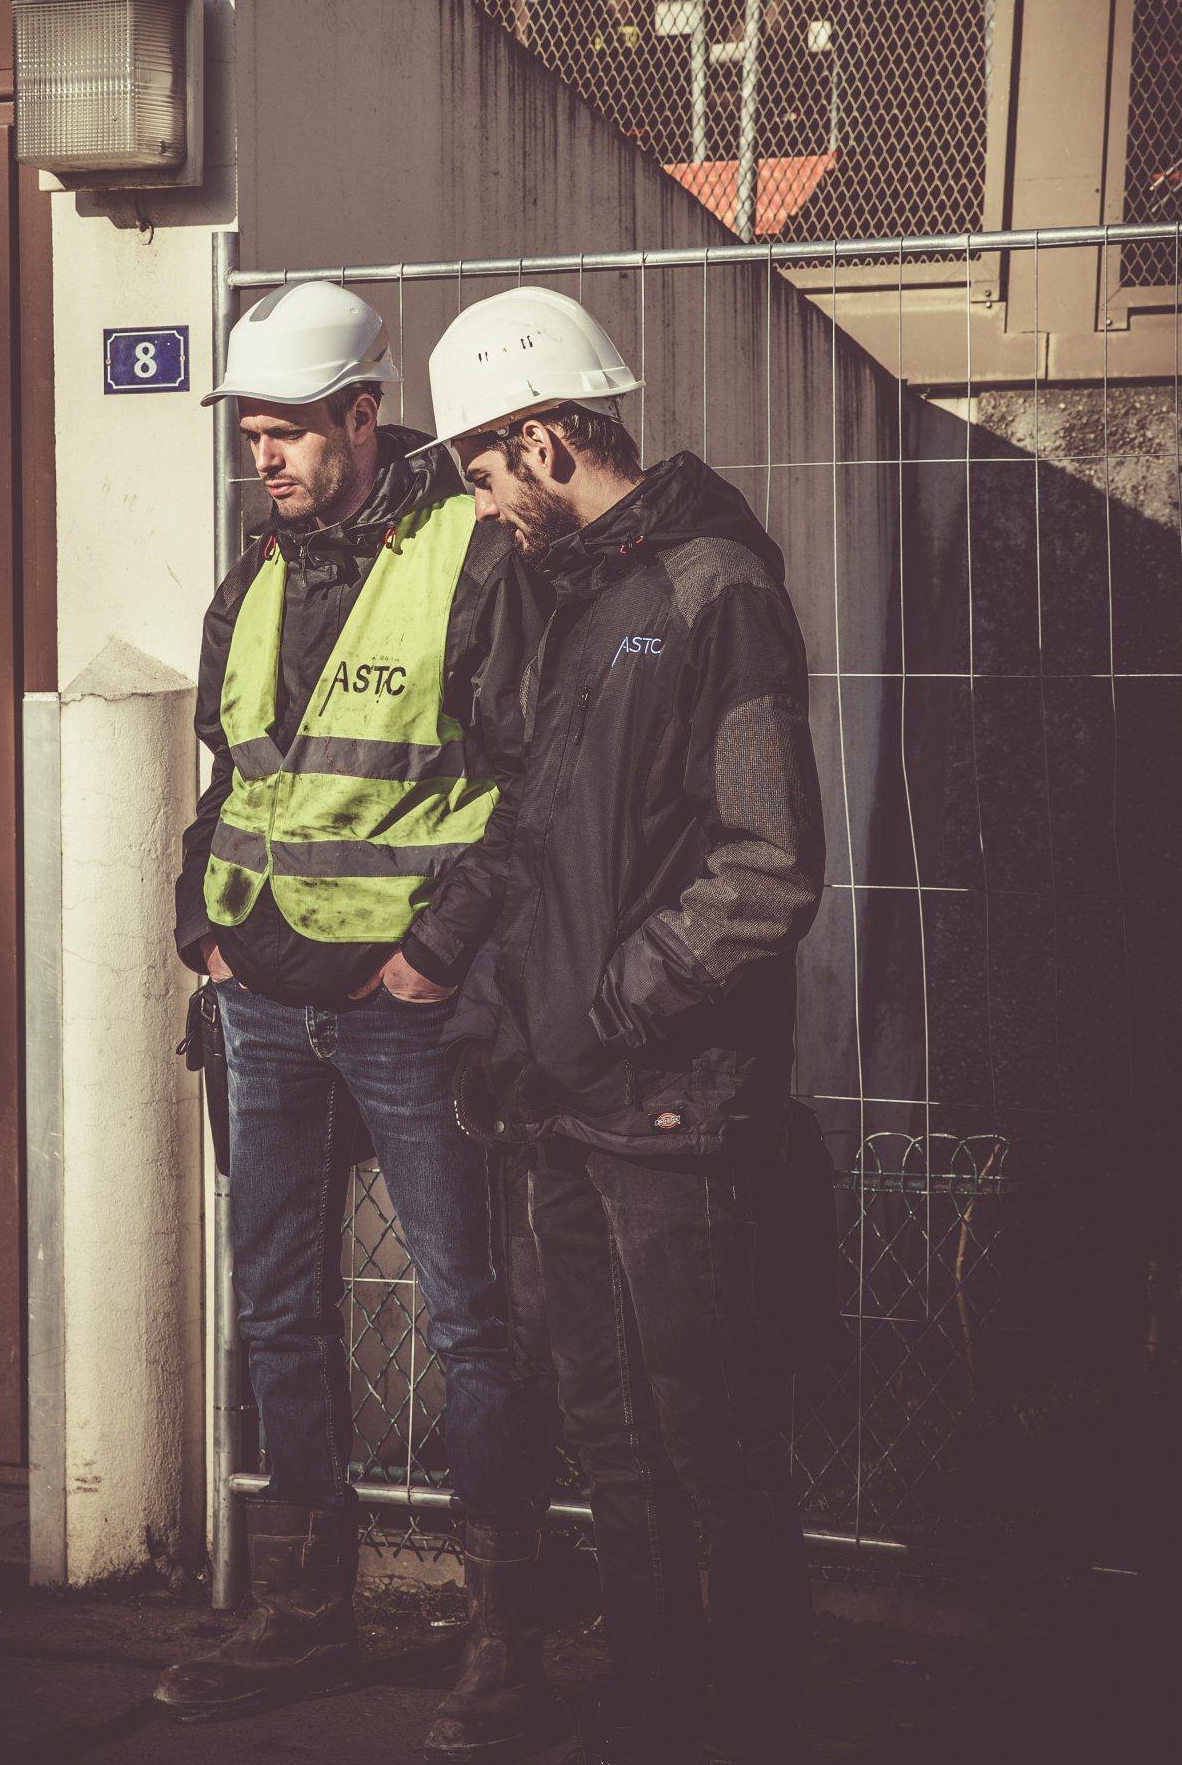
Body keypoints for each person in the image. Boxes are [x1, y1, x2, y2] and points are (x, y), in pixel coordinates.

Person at [412, 287, 826, 1765]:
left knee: (712, 1428)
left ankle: (751, 1713)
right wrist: (475, 978)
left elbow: (768, 863)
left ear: (541, 435)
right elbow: (531, 818)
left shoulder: (714, 590)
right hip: (556, 1093)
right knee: (609, 1426)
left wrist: (614, 1005)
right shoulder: (566, 594)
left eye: (478, 466)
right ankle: (653, 1700)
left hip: (671, 1095)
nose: (476, 498)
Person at [155, 280, 553, 1760]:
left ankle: (505, 1637)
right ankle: (304, 1609)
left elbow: (526, 780)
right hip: (263, 1007)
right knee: (275, 1310)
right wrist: (202, 928)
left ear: (364, 417)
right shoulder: (252, 576)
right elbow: (234, 780)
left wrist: (434, 958)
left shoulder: (472, 554)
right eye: (252, 434)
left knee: (469, 1320)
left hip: (402, 1013)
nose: (264, 457)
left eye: (290, 433)